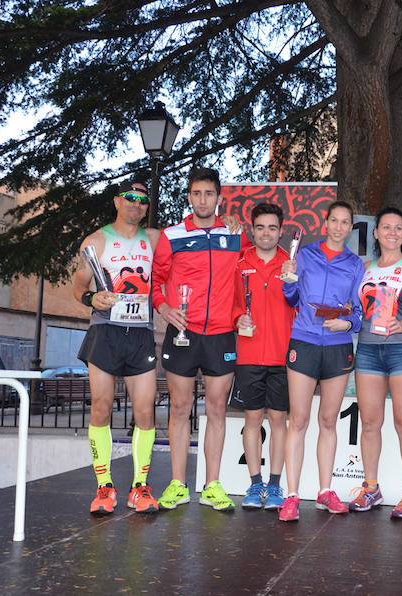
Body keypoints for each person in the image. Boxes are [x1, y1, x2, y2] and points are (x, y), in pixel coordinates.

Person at [152, 167, 251, 512]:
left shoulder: (235, 235)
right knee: (179, 408)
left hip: (221, 334)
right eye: (197, 194)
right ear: (190, 197)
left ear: (219, 198)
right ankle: (178, 484)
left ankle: (212, 485)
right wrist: (164, 308)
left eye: (209, 194)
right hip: (183, 332)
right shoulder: (172, 235)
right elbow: (155, 281)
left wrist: (241, 315)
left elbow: (247, 275)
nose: (203, 200)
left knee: (217, 410)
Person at [72, 180, 161, 515]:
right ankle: (104, 485)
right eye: (131, 198)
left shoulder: (153, 238)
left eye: (143, 199)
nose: (137, 204)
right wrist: (93, 297)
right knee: (101, 408)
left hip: (140, 333)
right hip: (105, 331)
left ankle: (140, 487)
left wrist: (228, 223)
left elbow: (188, 235)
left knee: (145, 413)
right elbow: (79, 288)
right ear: (117, 202)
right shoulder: (96, 240)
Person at [277, 200, 364, 522]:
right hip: (305, 340)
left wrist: (349, 325)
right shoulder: (305, 255)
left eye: (345, 222)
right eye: (335, 221)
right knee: (298, 421)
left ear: (350, 227)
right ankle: (292, 495)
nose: (339, 227)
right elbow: (292, 298)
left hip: (339, 345)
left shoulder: (356, 265)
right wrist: (288, 282)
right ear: (325, 223)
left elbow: (359, 311)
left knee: (329, 421)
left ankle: (326, 491)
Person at [349, 207, 402, 519]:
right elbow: (355, 308)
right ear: (376, 232)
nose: (393, 233)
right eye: (386, 227)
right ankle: (371, 486)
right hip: (369, 352)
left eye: (398, 228)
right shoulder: (365, 268)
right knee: (370, 423)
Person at [232, 202, 295, 510]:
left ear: (280, 231)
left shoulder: (291, 264)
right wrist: (236, 320)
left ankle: (275, 485)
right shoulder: (240, 263)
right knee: (253, 418)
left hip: (283, 356)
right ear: (252, 230)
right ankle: (255, 485)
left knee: (279, 419)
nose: (266, 233)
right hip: (249, 353)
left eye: (272, 227)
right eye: (260, 227)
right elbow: (231, 304)